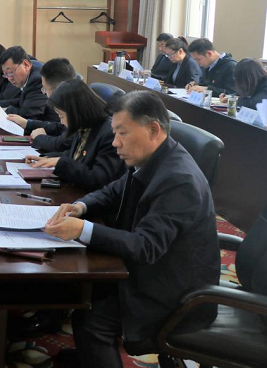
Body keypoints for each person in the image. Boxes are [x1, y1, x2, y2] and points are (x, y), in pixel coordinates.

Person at [44, 91, 219, 367]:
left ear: (153, 130)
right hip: (155, 270)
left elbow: (145, 247)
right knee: (81, 290)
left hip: (174, 291)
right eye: (114, 132)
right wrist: (81, 206)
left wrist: (82, 230)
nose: (115, 142)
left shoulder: (179, 180)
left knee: (91, 320)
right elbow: (114, 190)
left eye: (122, 133)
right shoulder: (152, 157)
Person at [24, 79, 126, 190]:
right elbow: (75, 155)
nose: (61, 122)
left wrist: (61, 163)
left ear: (76, 113)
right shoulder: (85, 126)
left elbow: (99, 179)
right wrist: (46, 158)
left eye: (62, 116)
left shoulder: (109, 134)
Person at [6, 57, 77, 154]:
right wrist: (27, 123)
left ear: (58, 89)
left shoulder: (77, 110)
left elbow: (62, 144)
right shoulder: (70, 102)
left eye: (45, 89)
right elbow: (59, 127)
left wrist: (40, 137)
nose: (44, 93)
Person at [0, 46, 58, 122]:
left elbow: (27, 114)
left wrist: (2, 110)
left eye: (10, 72)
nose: (9, 78)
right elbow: (22, 101)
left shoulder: (37, 80)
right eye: (6, 74)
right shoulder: (29, 76)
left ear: (26, 65)